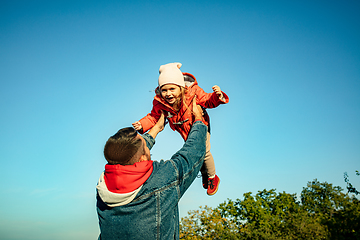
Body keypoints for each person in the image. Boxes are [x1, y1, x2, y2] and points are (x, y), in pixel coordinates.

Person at [96, 98, 208, 240]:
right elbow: (193, 152)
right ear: (142, 157)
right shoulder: (163, 177)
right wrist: (198, 119)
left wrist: (156, 128)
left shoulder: (104, 184)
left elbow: (131, 153)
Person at [132, 62, 229, 195]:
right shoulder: (160, 102)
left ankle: (213, 177)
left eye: (172, 89)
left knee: (205, 151)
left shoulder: (193, 92)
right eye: (164, 90)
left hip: (200, 125)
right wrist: (142, 124)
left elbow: (207, 100)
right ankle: (204, 173)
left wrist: (217, 96)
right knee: (195, 153)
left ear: (181, 87)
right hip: (184, 130)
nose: (168, 94)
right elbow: (154, 117)